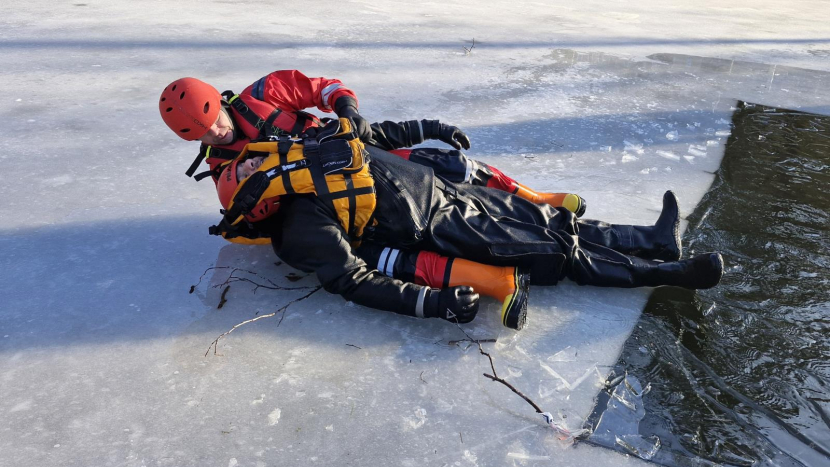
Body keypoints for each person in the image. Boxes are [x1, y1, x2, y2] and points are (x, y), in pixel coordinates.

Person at [184, 114, 723, 329]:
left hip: (445, 190)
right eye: (247, 173)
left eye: (250, 163)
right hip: (440, 227)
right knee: (555, 252)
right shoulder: (299, 229)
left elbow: (373, 137)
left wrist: (430, 128)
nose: (254, 166)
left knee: (548, 217)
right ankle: (667, 273)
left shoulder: (306, 148)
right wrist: (433, 303)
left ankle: (652, 239)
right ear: (255, 202)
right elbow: (353, 280)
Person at [159, 72, 587, 216]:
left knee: (447, 166)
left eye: (214, 122)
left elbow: (324, 87)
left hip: (345, 149)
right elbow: (235, 203)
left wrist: (346, 108)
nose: (216, 134)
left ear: (219, 103)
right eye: (203, 134)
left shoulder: (264, 93)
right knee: (426, 205)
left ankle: (536, 198)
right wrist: (243, 176)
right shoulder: (220, 163)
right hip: (331, 198)